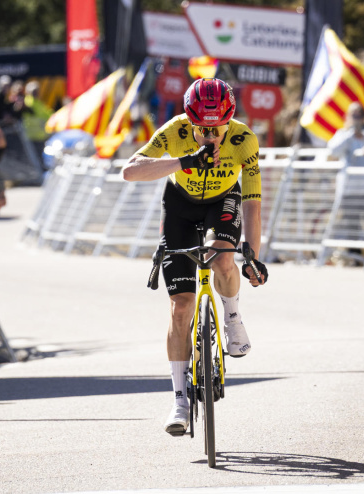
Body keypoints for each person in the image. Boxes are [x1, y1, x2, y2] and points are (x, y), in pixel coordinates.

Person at [122, 78, 268, 436]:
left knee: (223, 259)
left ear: (229, 120)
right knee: (182, 307)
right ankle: (179, 400)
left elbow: (252, 202)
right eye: (201, 127)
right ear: (189, 119)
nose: (209, 134)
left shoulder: (243, 139)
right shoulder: (175, 131)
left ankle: (232, 318)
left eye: (217, 128)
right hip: (180, 208)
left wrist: (252, 254)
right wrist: (183, 161)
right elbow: (130, 170)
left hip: (223, 202)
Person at [327, 102, 364, 166]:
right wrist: (351, 135)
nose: (357, 119)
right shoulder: (342, 134)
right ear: (348, 117)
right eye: (354, 116)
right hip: (349, 173)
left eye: (360, 116)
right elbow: (332, 152)